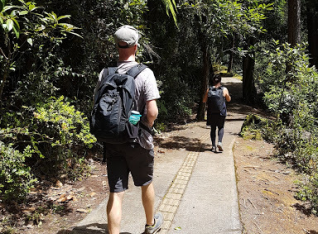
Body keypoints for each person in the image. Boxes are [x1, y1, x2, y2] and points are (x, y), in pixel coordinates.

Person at [94, 25, 163, 234]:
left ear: (117, 46)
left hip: (112, 141)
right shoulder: (145, 73)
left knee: (116, 193)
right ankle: (150, 225)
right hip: (138, 141)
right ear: (136, 47)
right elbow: (152, 112)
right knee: (146, 183)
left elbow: (97, 106)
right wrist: (144, 127)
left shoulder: (105, 73)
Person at [203, 74, 231, 152]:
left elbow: (204, 100)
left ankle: (213, 146)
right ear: (220, 81)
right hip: (221, 112)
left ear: (213, 81)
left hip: (211, 112)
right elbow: (228, 99)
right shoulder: (224, 89)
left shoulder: (209, 89)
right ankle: (220, 142)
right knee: (221, 127)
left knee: (213, 128)